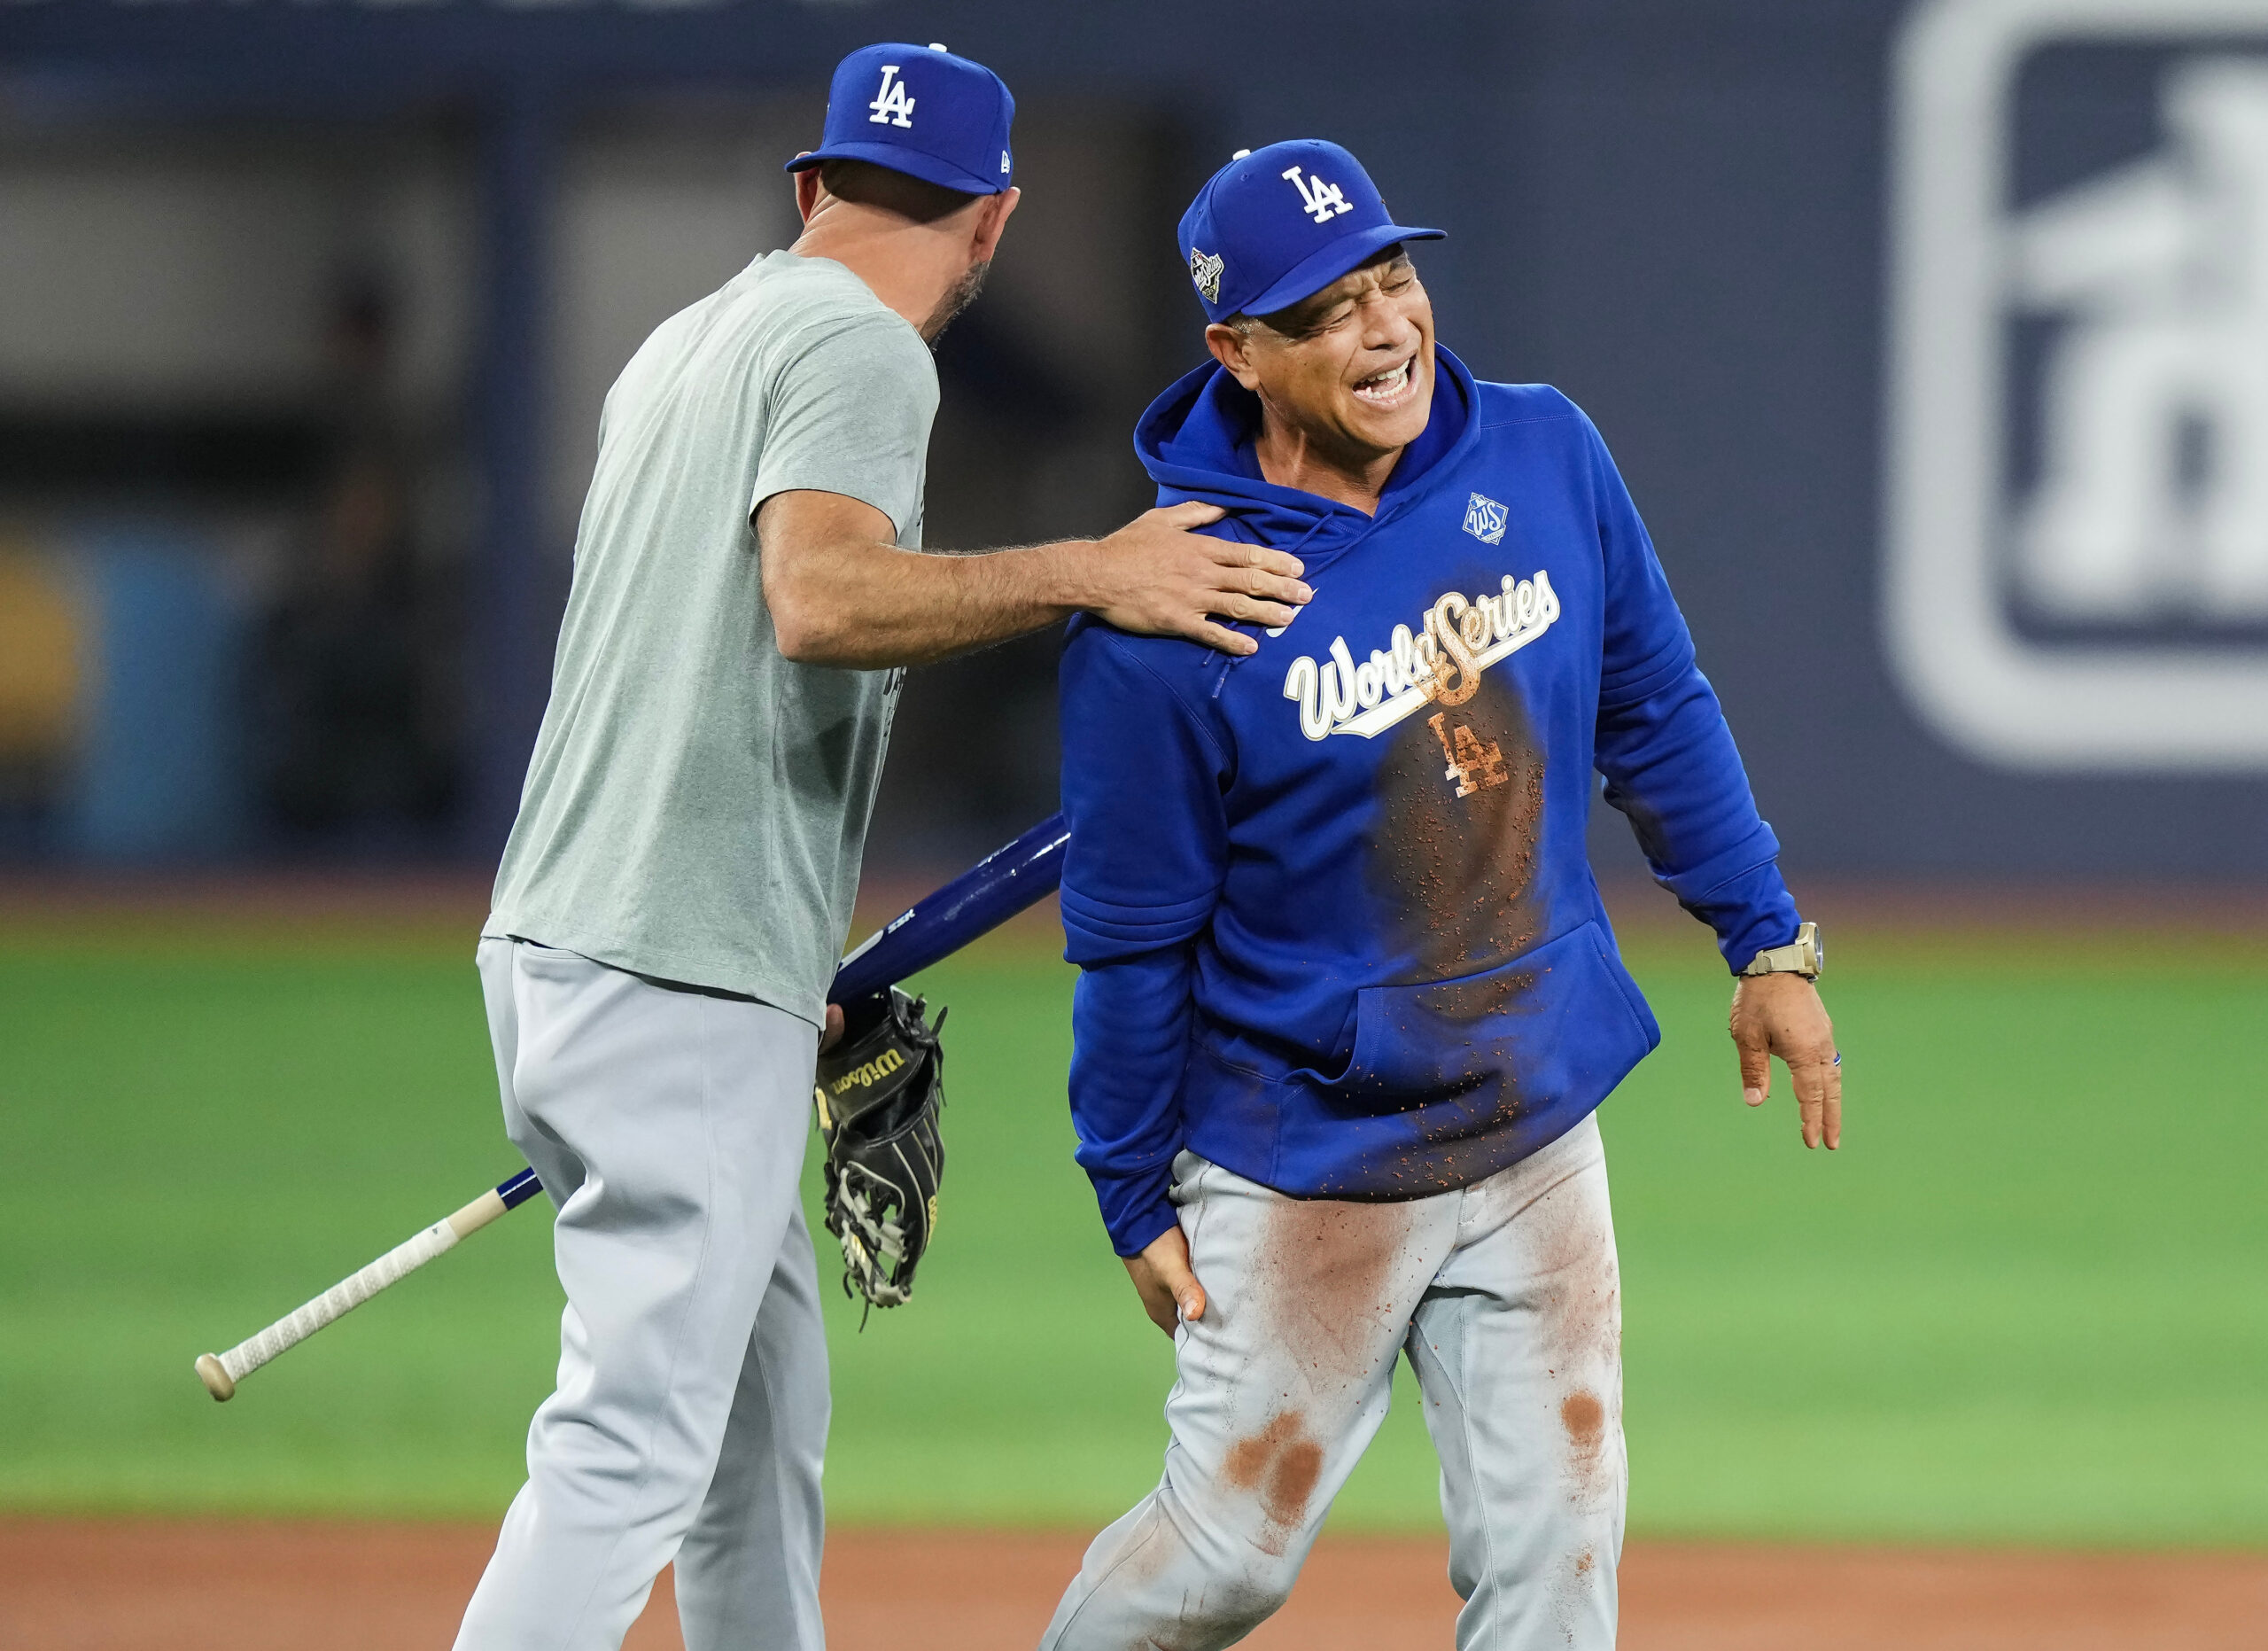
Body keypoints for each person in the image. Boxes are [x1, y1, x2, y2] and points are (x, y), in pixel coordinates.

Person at [454, 47, 1311, 1651]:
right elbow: (820, 600)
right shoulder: (864, 349)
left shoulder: (687, 342)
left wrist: (784, 971)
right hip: (668, 964)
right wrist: (1091, 570)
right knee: (633, 1445)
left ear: (811, 188)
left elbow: (671, 669)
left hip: (596, 938)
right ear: (993, 223)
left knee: (755, 1424)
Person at [1043, 140, 1840, 1650]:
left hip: (1535, 1116)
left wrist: (1765, 941)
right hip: (1305, 1159)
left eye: (1393, 279)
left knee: (1558, 1567)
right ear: (1238, 352)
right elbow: (1132, 940)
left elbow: (1654, 707)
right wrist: (1126, 1177)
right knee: (1223, 1565)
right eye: (1329, 310)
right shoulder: (1165, 609)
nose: (1388, 328)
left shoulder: (1544, 454)